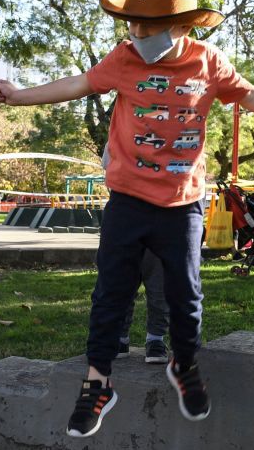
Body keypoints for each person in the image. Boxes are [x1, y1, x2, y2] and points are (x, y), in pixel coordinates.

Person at [0, 0, 254, 438]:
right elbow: (79, 84)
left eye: (149, 26)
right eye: (132, 22)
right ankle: (98, 382)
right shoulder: (123, 59)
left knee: (185, 294)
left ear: (184, 25)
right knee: (111, 292)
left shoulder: (208, 62)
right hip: (128, 199)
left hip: (182, 205)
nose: (137, 32)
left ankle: (183, 364)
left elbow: (249, 95)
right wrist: (21, 95)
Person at [103, 142, 171, 365]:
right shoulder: (118, 138)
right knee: (120, 283)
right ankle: (119, 337)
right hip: (126, 221)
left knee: (159, 285)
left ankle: (156, 339)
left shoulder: (173, 137)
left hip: (161, 220)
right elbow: (110, 172)